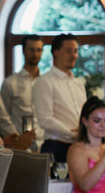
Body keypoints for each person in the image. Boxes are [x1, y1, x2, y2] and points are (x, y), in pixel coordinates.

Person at [32, 33, 86, 162]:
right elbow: (45, 119)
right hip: (56, 146)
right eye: (68, 51)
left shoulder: (78, 83)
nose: (73, 55)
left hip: (79, 145)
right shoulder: (44, 81)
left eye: (75, 51)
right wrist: (73, 134)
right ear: (55, 52)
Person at [0, 35, 44, 148]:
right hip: (18, 144)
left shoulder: (46, 83)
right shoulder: (10, 83)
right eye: (31, 49)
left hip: (43, 143)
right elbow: (2, 116)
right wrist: (15, 138)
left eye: (39, 50)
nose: (35, 54)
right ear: (24, 50)